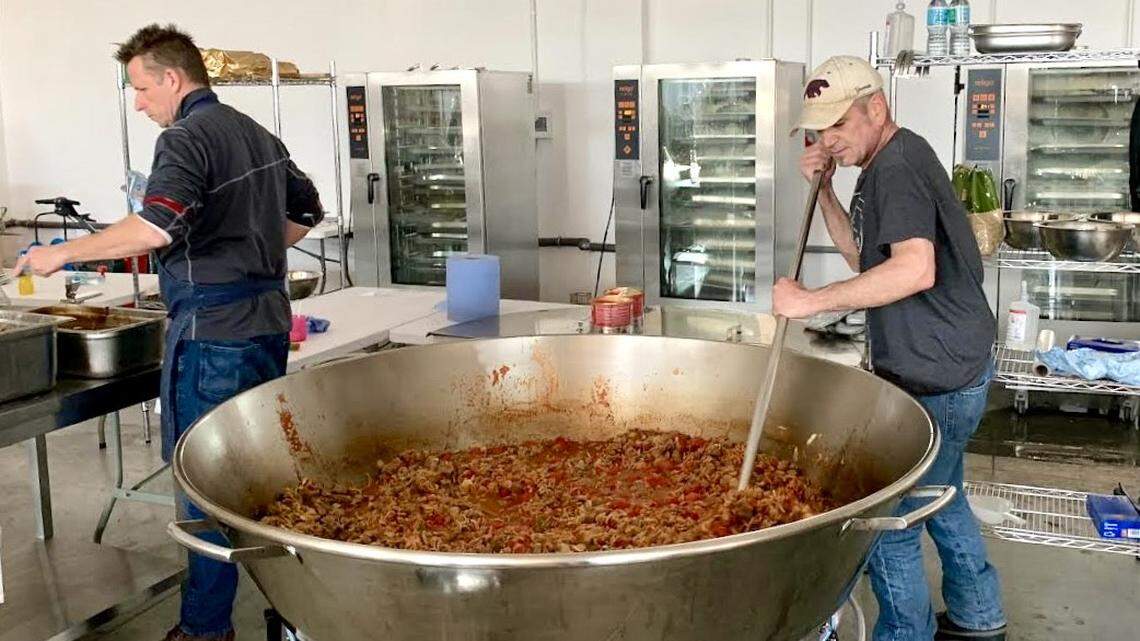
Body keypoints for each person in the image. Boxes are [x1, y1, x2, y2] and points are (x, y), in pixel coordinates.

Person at [14, 24, 323, 641]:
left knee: (201, 481)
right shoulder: (253, 131)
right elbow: (307, 210)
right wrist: (251, 251)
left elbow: (155, 228)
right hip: (264, 324)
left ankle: (206, 629)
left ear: (173, 79)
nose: (139, 103)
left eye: (140, 87)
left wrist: (62, 255)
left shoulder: (185, 137)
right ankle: (293, 615)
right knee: (259, 474)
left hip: (213, 333)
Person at [775, 56, 1006, 641]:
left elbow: (913, 270)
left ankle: (906, 633)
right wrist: (825, 189)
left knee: (890, 520)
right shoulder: (882, 163)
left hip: (937, 373)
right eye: (820, 131)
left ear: (876, 108)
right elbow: (863, 257)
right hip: (953, 362)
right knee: (944, 496)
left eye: (840, 126)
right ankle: (981, 616)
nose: (829, 141)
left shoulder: (897, 166)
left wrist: (810, 302)